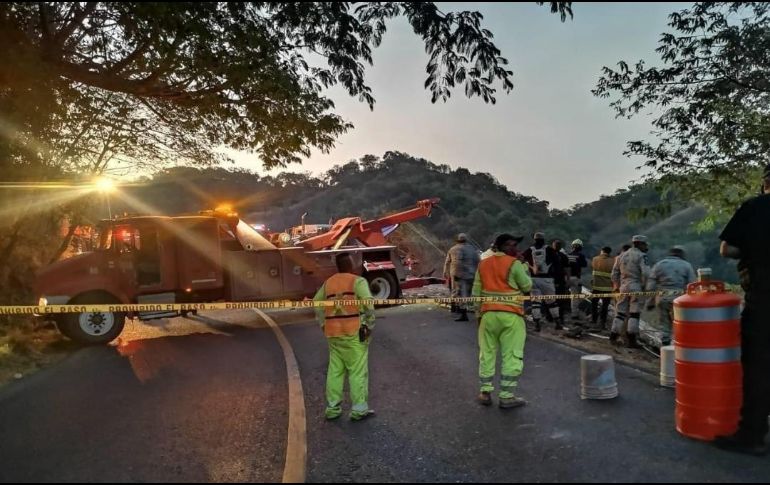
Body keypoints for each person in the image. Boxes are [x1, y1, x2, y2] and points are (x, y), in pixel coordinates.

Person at [713, 164, 770, 456]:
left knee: (759, 368)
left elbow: (727, 249)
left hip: (764, 301)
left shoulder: (756, 207)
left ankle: (752, 436)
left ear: (766, 182)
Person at [472, 233, 532, 409]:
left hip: (488, 316)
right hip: (511, 316)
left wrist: (478, 315)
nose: (515, 249)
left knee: (486, 354)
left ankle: (485, 392)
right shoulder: (514, 264)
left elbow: (477, 293)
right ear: (502, 247)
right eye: (511, 245)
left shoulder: (483, 264)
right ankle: (506, 396)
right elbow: (527, 286)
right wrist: (523, 265)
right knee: (512, 356)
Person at [314, 253, 376, 422]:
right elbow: (369, 305)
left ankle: (332, 409)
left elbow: (316, 303)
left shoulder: (329, 283)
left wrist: (323, 324)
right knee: (357, 371)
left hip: (333, 333)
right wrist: (369, 326)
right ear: (351, 265)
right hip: (353, 333)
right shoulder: (358, 281)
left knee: (335, 371)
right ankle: (359, 410)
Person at [645, 246, 696, 346]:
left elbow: (651, 285)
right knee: (679, 323)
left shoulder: (659, 264)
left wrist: (650, 300)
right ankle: (680, 346)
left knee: (664, 323)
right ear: (681, 255)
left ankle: (665, 346)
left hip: (662, 297)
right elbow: (692, 284)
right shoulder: (686, 265)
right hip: (679, 299)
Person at [610, 235, 650, 348]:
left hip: (623, 287)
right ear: (640, 244)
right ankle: (631, 340)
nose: (646, 247)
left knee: (620, 313)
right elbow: (646, 273)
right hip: (636, 286)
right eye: (645, 245)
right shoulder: (642, 256)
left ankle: (613, 337)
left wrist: (617, 286)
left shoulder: (621, 256)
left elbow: (614, 274)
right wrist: (644, 286)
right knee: (634, 314)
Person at [521, 232, 563, 331]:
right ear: (543, 239)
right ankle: (557, 323)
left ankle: (537, 325)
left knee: (535, 303)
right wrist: (558, 280)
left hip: (534, 280)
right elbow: (557, 265)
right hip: (547, 280)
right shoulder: (549, 249)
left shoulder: (529, 250)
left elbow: (520, 259)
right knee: (552, 302)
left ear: (534, 240)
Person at [444, 233, 481, 322]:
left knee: (459, 293)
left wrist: (445, 272)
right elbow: (479, 261)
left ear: (457, 240)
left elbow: (449, 262)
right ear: (466, 240)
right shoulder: (473, 249)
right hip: (471, 275)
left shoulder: (453, 249)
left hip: (459, 275)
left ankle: (462, 313)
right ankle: (461, 309)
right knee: (467, 294)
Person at [590, 246, 614, 330]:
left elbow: (593, 268)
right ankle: (602, 323)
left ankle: (593, 320)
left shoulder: (595, 259)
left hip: (596, 286)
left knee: (594, 304)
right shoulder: (613, 261)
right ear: (609, 252)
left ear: (602, 251)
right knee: (605, 306)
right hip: (607, 288)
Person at [567, 239, 588, 320]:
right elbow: (585, 264)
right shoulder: (581, 256)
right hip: (576, 278)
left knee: (570, 296)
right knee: (576, 297)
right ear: (580, 248)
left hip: (567, 278)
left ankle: (570, 313)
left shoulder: (568, 255)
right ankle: (574, 314)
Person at [551, 239, 571, 324]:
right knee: (559, 299)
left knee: (552, 299)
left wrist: (568, 279)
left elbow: (567, 268)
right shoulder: (563, 256)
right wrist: (568, 279)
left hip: (552, 279)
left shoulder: (549, 255)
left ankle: (552, 318)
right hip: (559, 279)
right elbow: (567, 269)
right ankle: (559, 318)